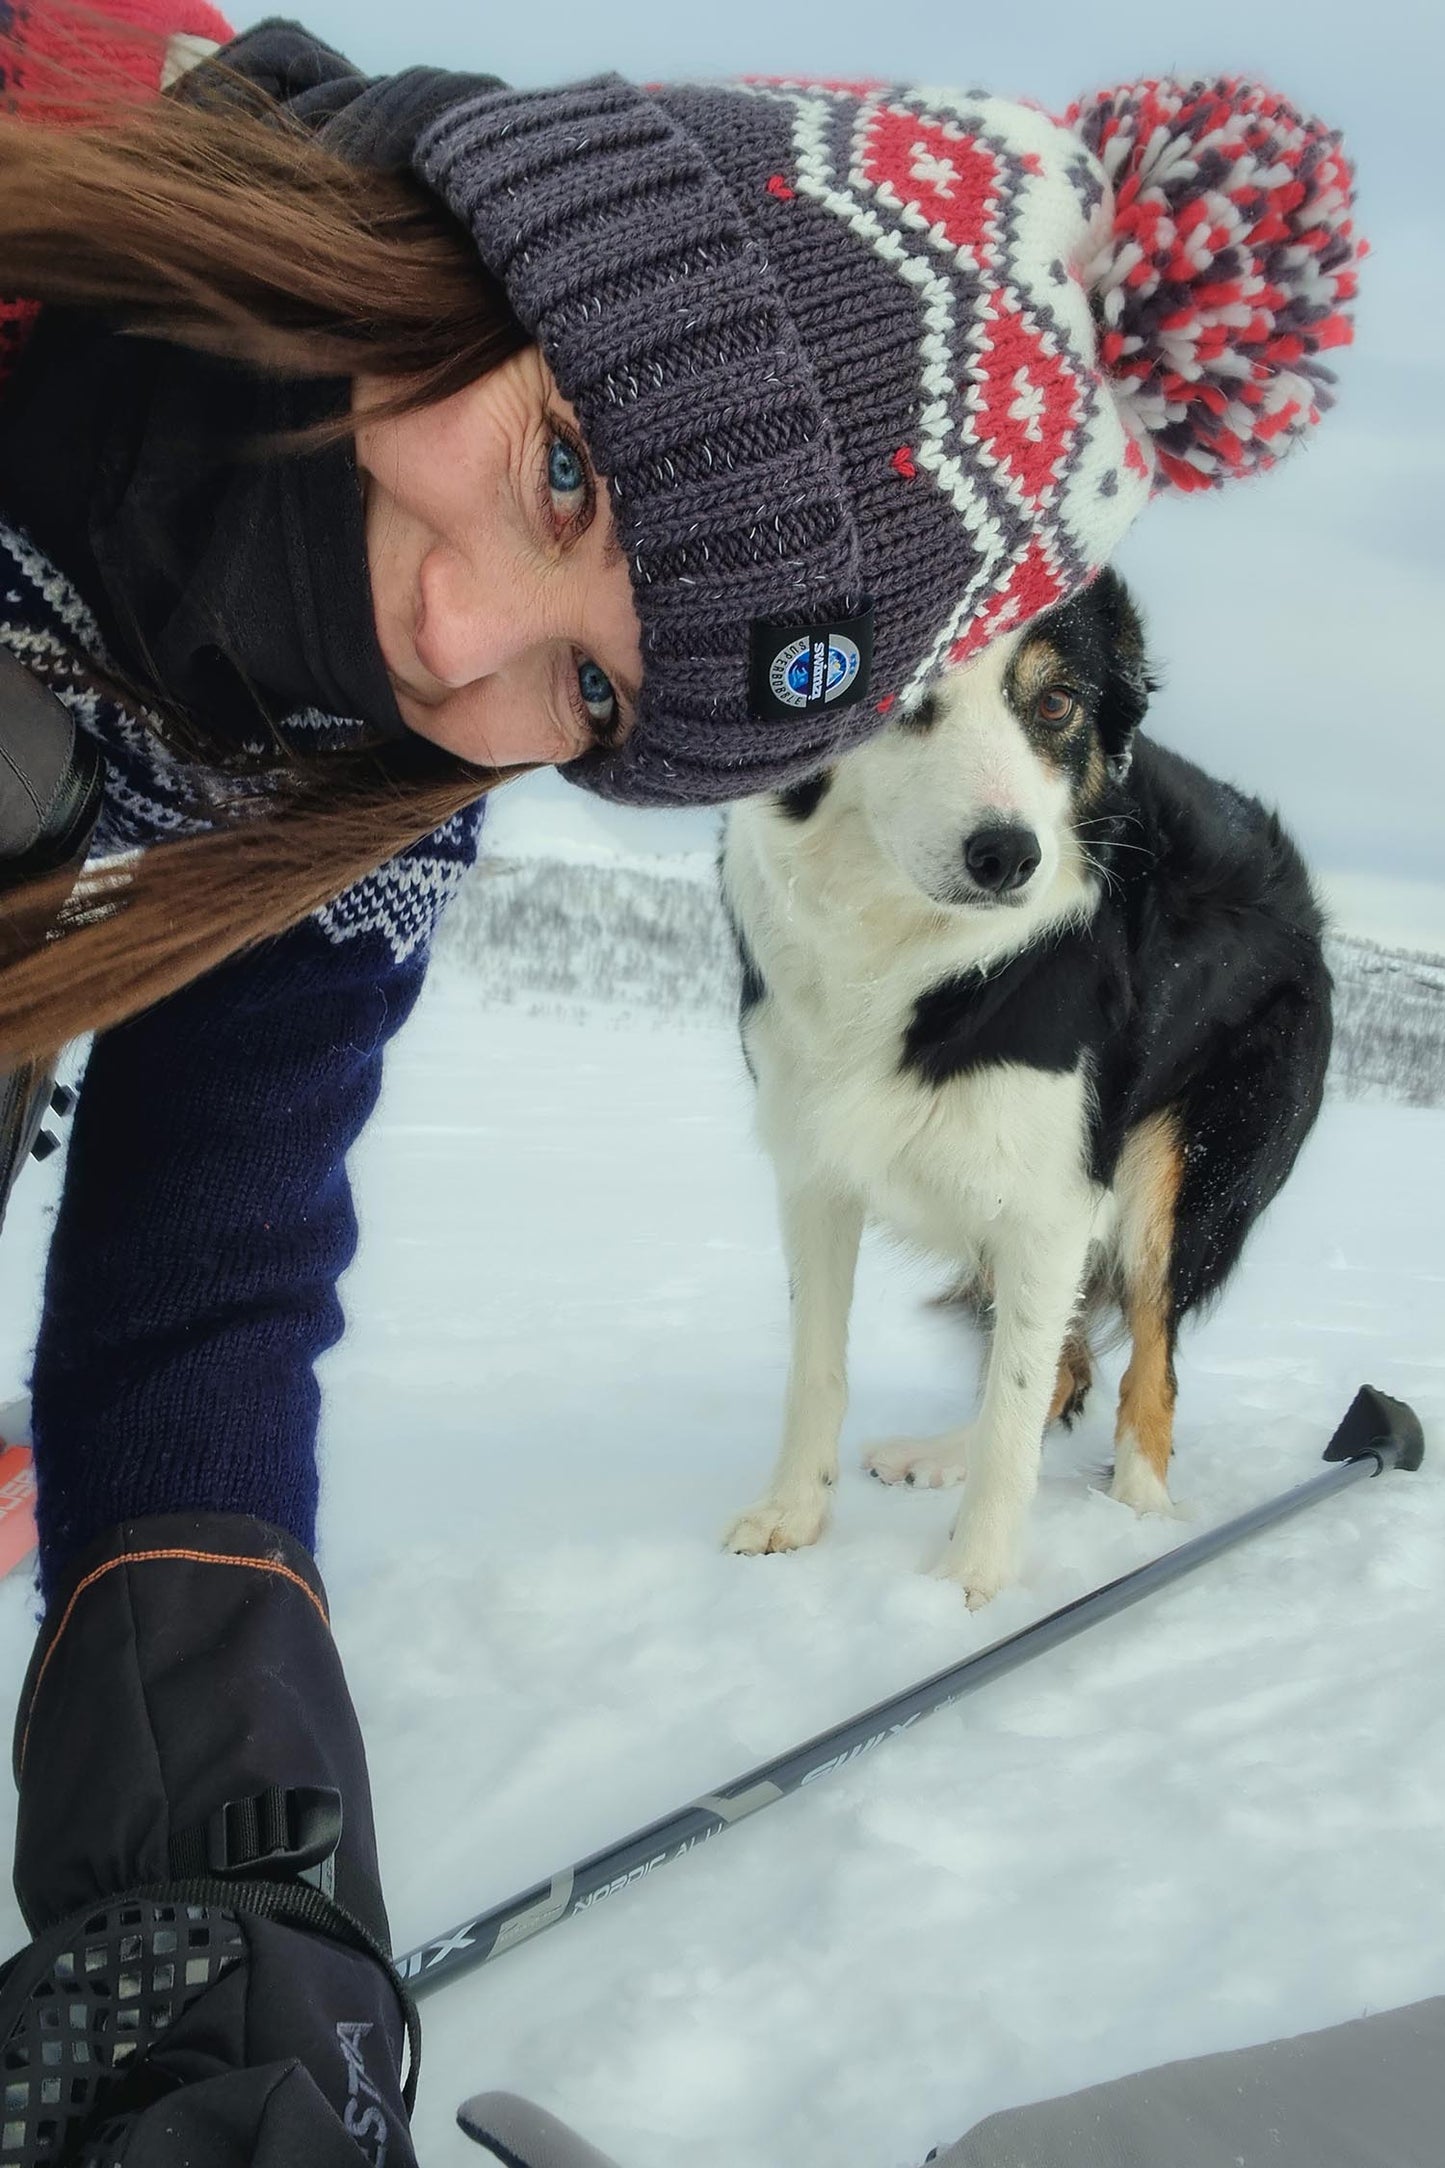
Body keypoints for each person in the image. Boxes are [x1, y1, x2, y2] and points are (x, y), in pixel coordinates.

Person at [0, 6, 1361, 2161]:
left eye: (599, 682)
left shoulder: (360, 783)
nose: (459, 639)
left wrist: (230, 1928)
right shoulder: (55, 114)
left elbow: (206, 1283)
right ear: (511, 238)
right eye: (563, 463)